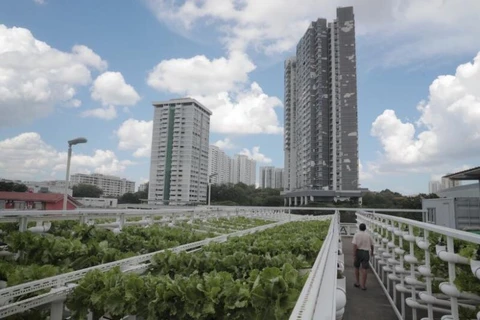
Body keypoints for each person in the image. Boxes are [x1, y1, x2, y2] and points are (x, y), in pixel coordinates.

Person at [352, 223, 374, 290]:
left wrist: (354, 254)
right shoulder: (368, 235)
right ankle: (363, 285)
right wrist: (372, 252)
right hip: (366, 252)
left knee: (356, 267)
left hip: (358, 251)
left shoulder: (356, 235)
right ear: (365, 228)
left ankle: (357, 282)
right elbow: (372, 245)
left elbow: (355, 245)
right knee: (364, 269)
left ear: (359, 228)